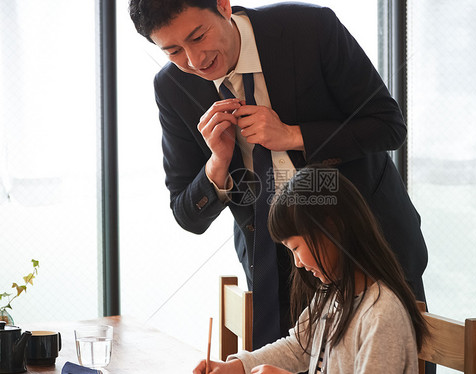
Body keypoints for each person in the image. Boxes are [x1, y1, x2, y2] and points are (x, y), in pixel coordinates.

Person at [128, 0, 429, 350]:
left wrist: (293, 135)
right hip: (277, 270)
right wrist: (218, 162)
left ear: (223, 6)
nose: (195, 61)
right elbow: (187, 215)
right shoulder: (172, 87)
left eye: (197, 36)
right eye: (174, 51)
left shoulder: (309, 27)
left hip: (370, 248)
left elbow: (387, 126)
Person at [193, 167, 428, 374]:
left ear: (331, 230)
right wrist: (237, 367)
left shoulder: (381, 316)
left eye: (295, 247)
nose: (297, 263)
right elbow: (299, 348)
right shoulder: (334, 293)